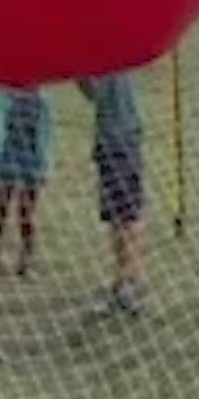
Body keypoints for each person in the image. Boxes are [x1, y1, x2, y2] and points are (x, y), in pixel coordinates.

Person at [77, 73, 145, 316]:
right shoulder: (108, 62)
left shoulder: (114, 62)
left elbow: (96, 92)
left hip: (120, 140)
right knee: (117, 218)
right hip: (111, 141)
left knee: (127, 217)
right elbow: (95, 95)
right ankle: (122, 284)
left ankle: (131, 285)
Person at [0, 87, 53, 279]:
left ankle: (26, 264)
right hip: (5, 160)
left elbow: (46, 135)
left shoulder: (42, 99)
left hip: (31, 161)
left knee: (27, 216)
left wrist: (44, 166)